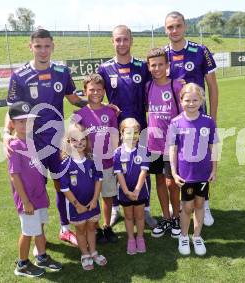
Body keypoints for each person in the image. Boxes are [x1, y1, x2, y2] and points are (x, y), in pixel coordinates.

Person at [4, 28, 89, 247]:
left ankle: (64, 228)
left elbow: (73, 99)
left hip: (59, 142)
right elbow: (12, 111)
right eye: (38, 46)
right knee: (35, 188)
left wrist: (100, 107)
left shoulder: (62, 71)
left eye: (47, 46)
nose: (43, 51)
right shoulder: (20, 76)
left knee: (63, 185)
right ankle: (37, 235)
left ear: (53, 46)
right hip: (32, 144)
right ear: (30, 46)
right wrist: (6, 133)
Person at [98, 25, 156, 228]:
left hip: (140, 128)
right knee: (116, 168)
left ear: (131, 41)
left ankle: (145, 208)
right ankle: (115, 209)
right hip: (115, 130)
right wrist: (105, 105)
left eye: (125, 39)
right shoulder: (104, 69)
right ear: (112, 42)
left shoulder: (142, 66)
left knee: (142, 167)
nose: (121, 43)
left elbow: (154, 92)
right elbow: (93, 95)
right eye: (117, 40)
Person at [164, 11, 219, 226]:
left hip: (200, 120)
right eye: (170, 27)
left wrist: (212, 118)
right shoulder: (163, 54)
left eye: (177, 26)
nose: (174, 30)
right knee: (179, 162)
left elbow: (213, 86)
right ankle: (180, 203)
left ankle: (204, 204)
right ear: (165, 29)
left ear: (185, 26)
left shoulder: (200, 51)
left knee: (203, 161)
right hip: (176, 123)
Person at [7, 101, 62, 277]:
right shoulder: (15, 146)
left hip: (39, 196)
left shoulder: (31, 141)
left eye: (28, 121)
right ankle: (22, 265)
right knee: (28, 231)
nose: (25, 125)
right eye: (20, 121)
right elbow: (14, 176)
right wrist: (25, 201)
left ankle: (42, 257)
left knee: (39, 228)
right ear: (13, 124)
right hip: (28, 199)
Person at [168, 83, 218, 256]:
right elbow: (172, 150)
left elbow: (214, 146)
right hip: (185, 175)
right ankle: (184, 236)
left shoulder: (208, 121)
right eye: (187, 100)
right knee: (187, 207)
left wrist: (214, 169)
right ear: (181, 101)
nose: (191, 103)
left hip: (203, 173)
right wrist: (174, 172)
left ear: (201, 100)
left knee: (200, 205)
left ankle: (197, 236)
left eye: (195, 100)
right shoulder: (175, 122)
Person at [73, 73, 119, 243]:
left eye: (99, 89)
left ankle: (107, 226)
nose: (96, 92)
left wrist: (115, 157)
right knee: (90, 196)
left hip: (107, 163)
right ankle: (96, 227)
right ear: (85, 91)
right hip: (88, 165)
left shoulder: (110, 112)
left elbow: (115, 138)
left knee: (107, 195)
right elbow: (74, 138)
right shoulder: (79, 114)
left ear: (104, 91)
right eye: (91, 89)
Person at [145, 47, 183, 238]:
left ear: (168, 65)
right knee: (159, 181)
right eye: (153, 65)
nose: (157, 68)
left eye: (161, 64)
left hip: (172, 145)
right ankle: (166, 218)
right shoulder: (148, 87)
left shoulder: (176, 86)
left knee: (171, 183)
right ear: (148, 67)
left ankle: (177, 216)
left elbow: (186, 114)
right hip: (153, 144)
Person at [59, 123, 107, 270]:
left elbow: (99, 180)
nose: (79, 143)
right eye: (74, 140)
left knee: (91, 228)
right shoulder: (65, 164)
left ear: (86, 140)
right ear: (68, 142)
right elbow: (65, 188)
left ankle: (93, 252)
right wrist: (77, 205)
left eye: (82, 139)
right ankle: (84, 254)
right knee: (80, 230)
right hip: (76, 206)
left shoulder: (92, 159)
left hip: (92, 203)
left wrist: (94, 200)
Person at [113, 118, 150, 255]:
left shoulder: (143, 150)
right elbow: (119, 175)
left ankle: (140, 237)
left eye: (135, 133)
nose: (132, 136)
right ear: (122, 134)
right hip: (125, 192)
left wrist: (136, 190)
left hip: (140, 191)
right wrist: (127, 191)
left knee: (139, 216)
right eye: (128, 133)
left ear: (139, 134)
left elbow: (143, 172)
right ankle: (130, 239)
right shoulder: (117, 153)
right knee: (128, 216)